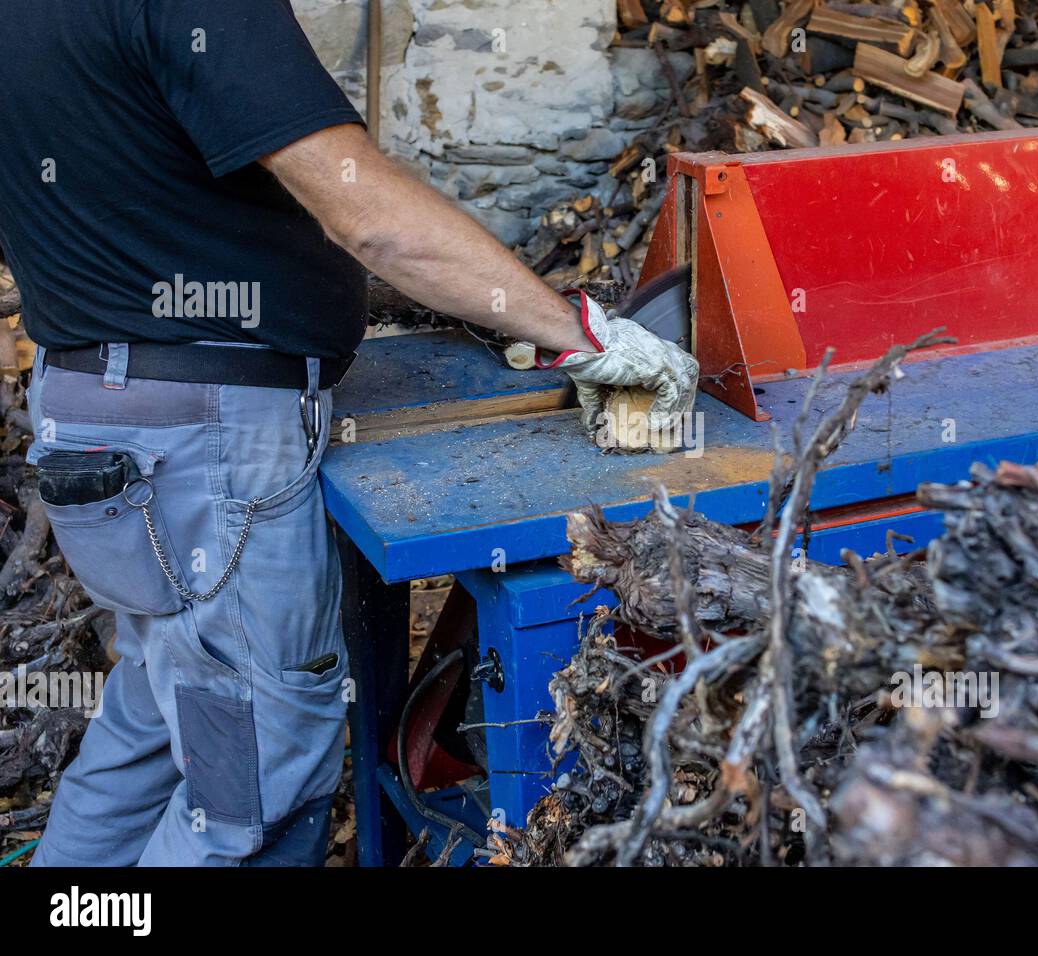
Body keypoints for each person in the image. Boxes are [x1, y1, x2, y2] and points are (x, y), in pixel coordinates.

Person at [0, 0, 697, 865]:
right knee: (252, 796)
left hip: (91, 413)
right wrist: (584, 334)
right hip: (202, 442)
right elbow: (370, 216)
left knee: (151, 721)